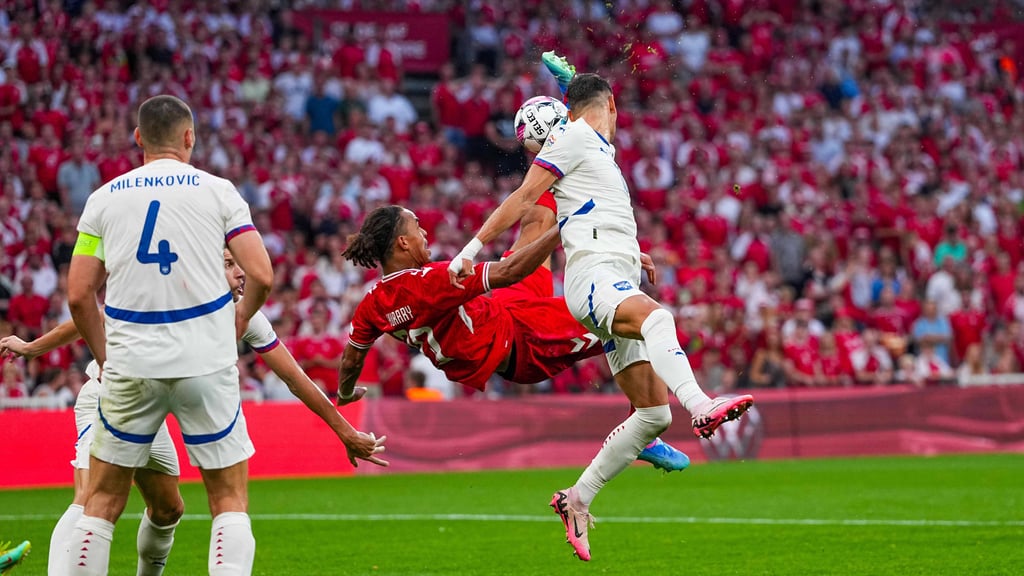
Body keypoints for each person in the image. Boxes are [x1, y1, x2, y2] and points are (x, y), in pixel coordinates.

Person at [448, 54, 753, 560]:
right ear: (606, 106)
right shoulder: (570, 138)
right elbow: (524, 198)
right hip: (594, 279)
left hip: (616, 270)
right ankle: (702, 407)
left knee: (652, 415)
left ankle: (577, 499)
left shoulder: (596, 147)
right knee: (660, 317)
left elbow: (593, 186)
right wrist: (469, 249)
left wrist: (636, 253)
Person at [62, 94, 355, 576]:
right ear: (189, 138)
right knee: (227, 500)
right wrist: (236, 322)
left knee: (100, 503)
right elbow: (261, 274)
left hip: (131, 365)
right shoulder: (218, 191)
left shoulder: (103, 199)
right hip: (205, 363)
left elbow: (78, 297)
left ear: (138, 139)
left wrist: (105, 356)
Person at [1, 249, 388, 575]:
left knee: (169, 509)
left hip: (151, 416)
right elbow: (94, 314)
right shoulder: (167, 294)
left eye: (240, 264)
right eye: (228, 264)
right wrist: (33, 348)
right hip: (106, 398)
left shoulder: (243, 314)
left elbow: (295, 378)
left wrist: (345, 431)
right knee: (90, 499)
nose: (239, 273)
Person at [337, 204, 689, 474]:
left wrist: (346, 392)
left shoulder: (372, 304)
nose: (424, 232)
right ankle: (645, 432)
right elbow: (509, 271)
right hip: (524, 342)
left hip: (503, 310)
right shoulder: (432, 281)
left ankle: (550, 151)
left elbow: (352, 360)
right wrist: (569, 228)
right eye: (417, 226)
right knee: (636, 320)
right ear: (402, 242)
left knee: (538, 216)